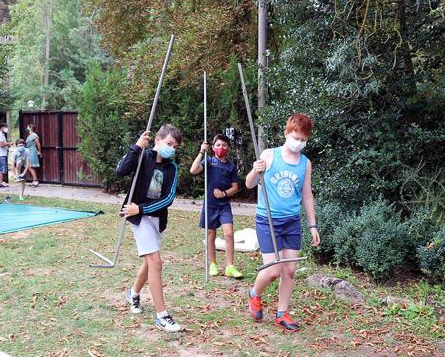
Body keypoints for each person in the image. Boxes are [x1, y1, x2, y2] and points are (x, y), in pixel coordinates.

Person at [245, 113, 321, 332]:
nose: (299, 143)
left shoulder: (305, 164)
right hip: (267, 220)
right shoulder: (269, 155)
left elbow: (307, 195)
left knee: (289, 270)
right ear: (287, 133)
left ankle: (282, 313)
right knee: (272, 271)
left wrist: (312, 225)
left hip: (291, 222)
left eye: (303, 139)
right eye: (296, 137)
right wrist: (254, 170)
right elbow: (249, 184)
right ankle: (254, 294)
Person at [117, 124, 184, 332]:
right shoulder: (142, 157)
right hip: (137, 217)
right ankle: (162, 316)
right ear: (157, 140)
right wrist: (136, 147)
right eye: (169, 143)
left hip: (154, 217)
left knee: (148, 263)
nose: (172, 148)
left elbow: (168, 199)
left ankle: (133, 293)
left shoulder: (171, 168)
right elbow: (121, 170)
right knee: (155, 262)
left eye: (175, 146)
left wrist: (142, 208)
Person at [190, 134, 242, 278]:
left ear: (228, 148)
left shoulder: (231, 167)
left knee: (229, 233)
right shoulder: (209, 161)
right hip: (210, 204)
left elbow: (235, 187)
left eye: (224, 145)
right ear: (213, 148)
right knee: (210, 234)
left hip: (224, 205)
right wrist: (201, 151)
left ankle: (230, 266)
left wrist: (224, 194)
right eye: (218, 145)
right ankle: (213, 264)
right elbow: (193, 170)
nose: (221, 148)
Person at [0, 122, 11, 187]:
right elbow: (1, 144)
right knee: (2, 169)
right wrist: (9, 143)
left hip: (2, 154)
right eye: (6, 127)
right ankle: (0, 182)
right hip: (0, 154)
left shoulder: (1, 134)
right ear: (2, 127)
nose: (7, 129)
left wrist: (7, 145)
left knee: (1, 168)